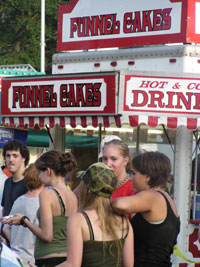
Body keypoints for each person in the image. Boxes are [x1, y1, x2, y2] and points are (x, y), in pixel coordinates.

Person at [2, 150, 78, 267]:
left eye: (39, 172)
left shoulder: (46, 194)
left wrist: (24, 220)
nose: (38, 176)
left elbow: (47, 235)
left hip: (48, 259)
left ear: (48, 171)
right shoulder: (72, 196)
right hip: (66, 257)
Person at [56, 162, 134, 267]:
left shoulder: (78, 220)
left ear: (88, 189)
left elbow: (73, 264)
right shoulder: (124, 222)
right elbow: (129, 265)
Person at [112, 151, 180, 267]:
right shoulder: (167, 198)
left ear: (148, 177)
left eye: (133, 173)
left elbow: (119, 204)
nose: (130, 178)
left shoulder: (152, 196)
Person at [3, 163, 44, 267]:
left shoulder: (19, 200)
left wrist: (16, 243)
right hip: (32, 259)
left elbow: (5, 228)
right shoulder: (41, 204)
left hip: (15, 257)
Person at [1, 140, 29, 245]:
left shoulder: (29, 183)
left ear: (23, 158)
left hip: (22, 243)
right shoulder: (7, 182)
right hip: (6, 240)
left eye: (15, 156)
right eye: (8, 156)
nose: (10, 160)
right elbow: (5, 210)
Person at [101, 138, 135, 219]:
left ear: (125, 161)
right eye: (105, 159)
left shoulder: (133, 188)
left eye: (114, 159)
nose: (108, 164)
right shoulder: (98, 184)